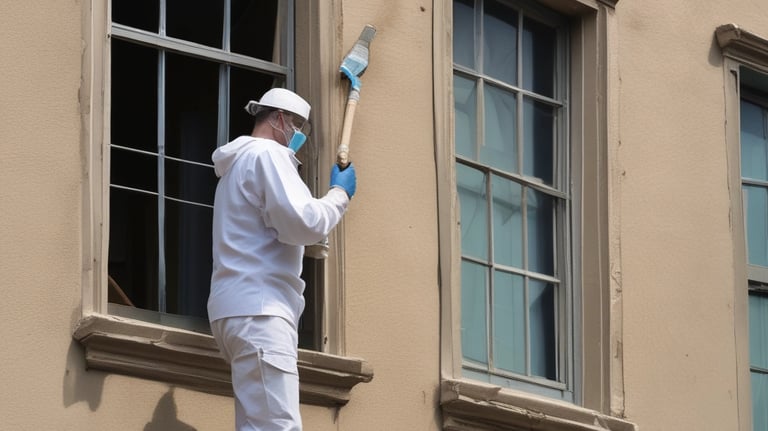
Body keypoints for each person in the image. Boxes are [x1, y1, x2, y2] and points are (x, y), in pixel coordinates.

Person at [207, 87, 356, 431]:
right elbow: (303, 223)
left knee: (258, 425)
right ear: (278, 119)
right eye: (298, 126)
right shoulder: (268, 155)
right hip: (262, 310)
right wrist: (339, 196)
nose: (300, 136)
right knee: (278, 426)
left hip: (236, 311)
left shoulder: (236, 165)